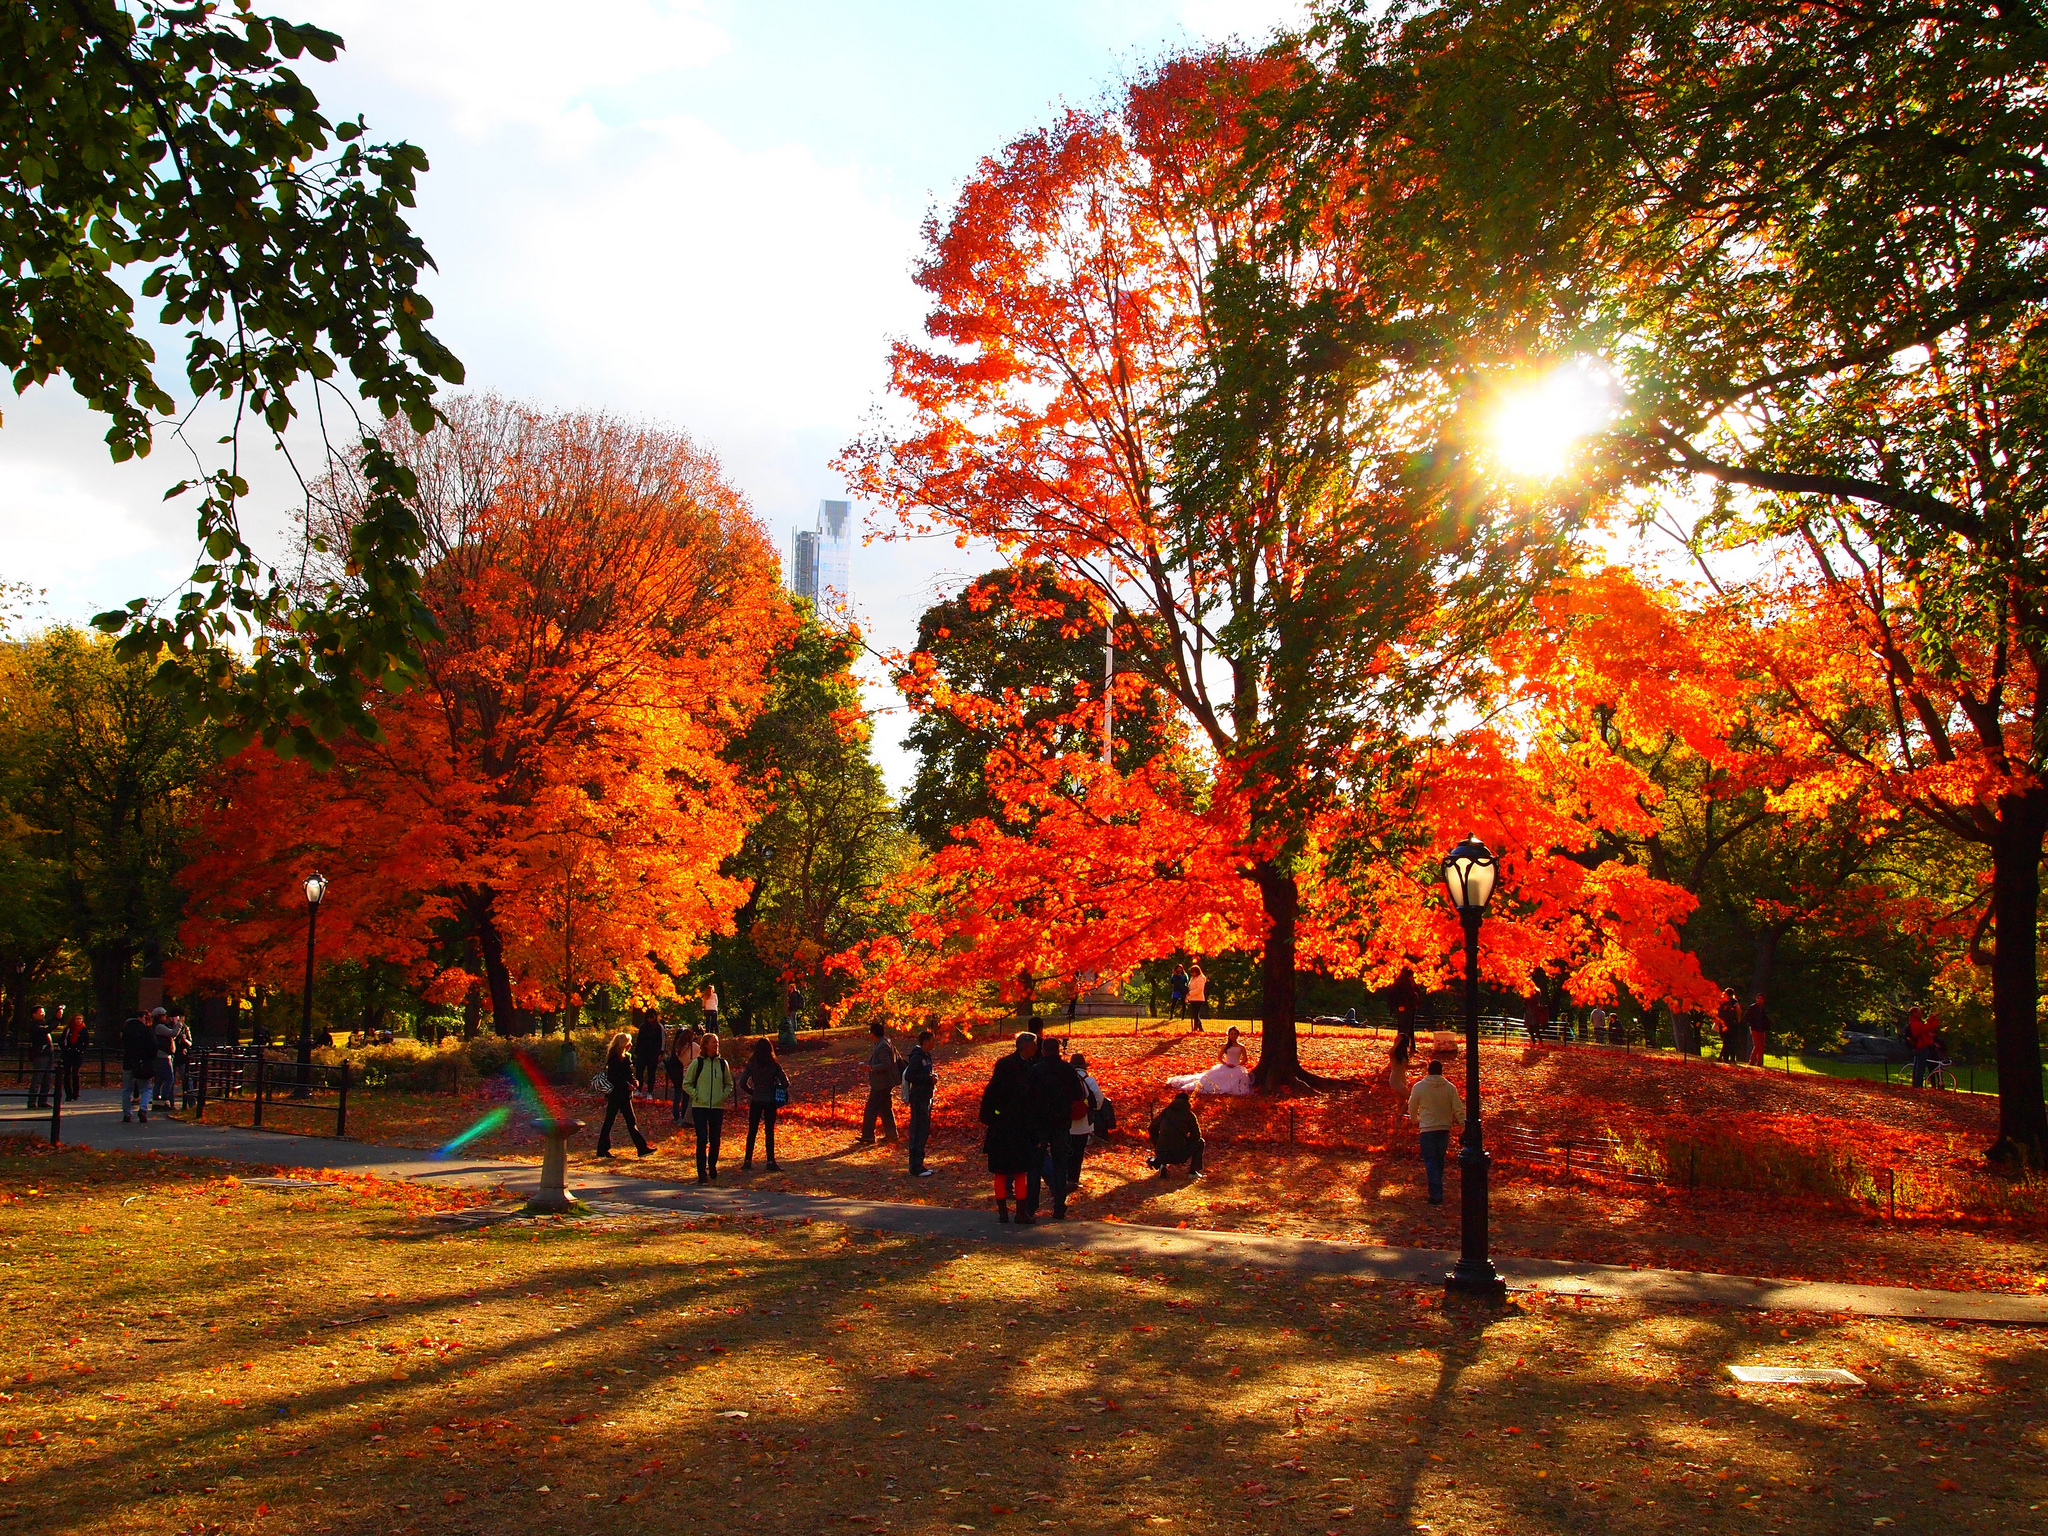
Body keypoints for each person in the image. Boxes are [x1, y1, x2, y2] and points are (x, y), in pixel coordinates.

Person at [979, 1032, 1040, 1223]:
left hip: (1002, 1126)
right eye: (1035, 1045)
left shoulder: (1006, 1064)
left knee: (1002, 1171)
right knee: (1018, 1171)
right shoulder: (1022, 1067)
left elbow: (990, 1094)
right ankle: (1017, 1213)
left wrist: (993, 1117)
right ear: (1026, 1046)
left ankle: (1004, 1212)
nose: (1037, 1048)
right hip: (1015, 1127)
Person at [1026, 1033, 1082, 1220]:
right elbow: (1078, 1095)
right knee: (1060, 1165)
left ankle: (1031, 1206)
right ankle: (1059, 1206)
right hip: (1060, 1123)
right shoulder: (1067, 1070)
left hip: (1039, 1123)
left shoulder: (1035, 1070)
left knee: (1034, 1165)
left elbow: (1027, 1095)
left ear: (1042, 1051)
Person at [1406, 1057, 1464, 1205]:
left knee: (1430, 1160)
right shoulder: (1450, 1088)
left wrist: (1415, 1120)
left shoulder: (1419, 1087)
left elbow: (1412, 1106)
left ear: (1428, 1071)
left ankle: (1436, 1193)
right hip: (1444, 1128)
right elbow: (1458, 1109)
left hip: (1427, 1128)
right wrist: (1464, 1125)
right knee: (1439, 1160)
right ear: (1441, 1071)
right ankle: (1437, 1188)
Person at [685, 1034, 735, 1183]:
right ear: (705, 1045)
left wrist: (722, 1096)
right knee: (702, 1138)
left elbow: (729, 1084)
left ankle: (712, 1165)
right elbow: (686, 1083)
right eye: (714, 1042)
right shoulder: (697, 1063)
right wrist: (697, 1095)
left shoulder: (722, 1063)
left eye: (717, 1042)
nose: (716, 1045)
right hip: (700, 1106)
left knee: (715, 1139)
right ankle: (701, 1172)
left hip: (717, 1107)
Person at [594, 1031, 653, 1159]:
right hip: (617, 1094)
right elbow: (614, 1077)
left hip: (624, 1095)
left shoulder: (626, 1057)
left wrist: (634, 1081)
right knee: (622, 1121)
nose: (631, 1044)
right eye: (628, 1042)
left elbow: (628, 1074)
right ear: (623, 1044)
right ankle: (641, 1148)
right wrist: (627, 1084)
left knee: (617, 1121)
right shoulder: (614, 1058)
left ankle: (603, 1149)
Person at [738, 1037, 788, 1171]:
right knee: (769, 1131)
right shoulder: (774, 1064)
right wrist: (776, 1087)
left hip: (756, 1100)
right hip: (770, 1100)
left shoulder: (752, 1064)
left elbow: (742, 1083)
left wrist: (752, 1091)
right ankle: (770, 1161)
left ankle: (747, 1160)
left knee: (752, 1131)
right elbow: (786, 1082)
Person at [1165, 1026, 1254, 1096]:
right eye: (1232, 1034)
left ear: (1238, 1035)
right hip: (1226, 1066)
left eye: (1235, 1034)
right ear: (1229, 1035)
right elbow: (1219, 1057)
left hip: (1236, 1067)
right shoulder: (1225, 1046)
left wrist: (1237, 1065)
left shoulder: (1241, 1047)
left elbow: (1245, 1059)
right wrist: (1226, 1064)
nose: (1233, 1036)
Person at [903, 1026, 938, 1177]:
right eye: (932, 1041)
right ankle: (915, 1166)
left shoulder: (927, 1056)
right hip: (918, 1098)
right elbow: (909, 1076)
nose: (934, 1043)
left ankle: (920, 1164)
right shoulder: (917, 1057)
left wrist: (931, 1078)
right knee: (917, 1131)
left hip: (926, 1097)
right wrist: (927, 1079)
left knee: (924, 1130)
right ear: (925, 1042)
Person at [1067, 1050, 1104, 1195]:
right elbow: (1099, 1100)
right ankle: (1073, 1180)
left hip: (1066, 1123)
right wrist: (1092, 1109)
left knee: (1064, 1151)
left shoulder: (1065, 1079)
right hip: (1083, 1123)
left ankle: (1062, 1177)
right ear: (1084, 1066)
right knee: (1078, 1152)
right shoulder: (1089, 1080)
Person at [859, 1020, 901, 1145]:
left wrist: (871, 1068)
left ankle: (868, 1135)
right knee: (885, 1108)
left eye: (870, 1032)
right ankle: (891, 1135)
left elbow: (886, 1064)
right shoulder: (883, 1042)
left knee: (871, 1109)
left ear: (873, 1033)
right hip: (885, 1082)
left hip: (881, 1083)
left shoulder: (882, 1045)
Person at [1147, 1090, 1205, 1179]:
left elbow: (1151, 1128)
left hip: (1162, 1153)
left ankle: (1163, 1164)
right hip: (1179, 1155)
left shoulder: (1165, 1112)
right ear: (1187, 1102)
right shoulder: (1189, 1115)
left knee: (1165, 1146)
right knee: (1200, 1142)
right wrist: (1186, 1141)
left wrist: (1157, 1143)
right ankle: (1193, 1172)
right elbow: (1196, 1136)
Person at [119, 1009, 155, 1123]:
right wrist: (150, 1059)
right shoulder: (146, 1030)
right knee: (146, 1088)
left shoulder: (126, 1030)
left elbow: (123, 1045)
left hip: (129, 1062)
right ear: (141, 1017)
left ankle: (127, 1114)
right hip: (143, 1062)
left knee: (127, 1090)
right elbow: (153, 1046)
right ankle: (143, 1109)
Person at [664, 1023, 694, 1126]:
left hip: (675, 1072)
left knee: (678, 1094)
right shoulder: (687, 1047)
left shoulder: (677, 1047)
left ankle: (676, 1115)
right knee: (685, 1095)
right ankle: (683, 1115)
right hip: (682, 1073)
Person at [25, 1007, 56, 1110]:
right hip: (40, 1054)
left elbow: (49, 1024)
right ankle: (32, 1101)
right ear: (34, 1014)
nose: (43, 1014)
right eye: (40, 1012)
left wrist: (56, 1017)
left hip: (48, 1053)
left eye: (43, 1012)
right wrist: (57, 1019)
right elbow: (48, 1029)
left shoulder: (43, 1023)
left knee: (47, 1078)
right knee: (38, 1078)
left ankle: (43, 1100)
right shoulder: (34, 1025)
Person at [150, 1008, 178, 1113]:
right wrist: (178, 1024)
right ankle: (164, 1101)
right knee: (169, 1079)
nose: (166, 1017)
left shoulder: (157, 1027)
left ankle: (156, 1103)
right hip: (163, 1056)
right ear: (160, 1016)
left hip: (159, 1056)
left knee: (159, 1080)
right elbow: (173, 1034)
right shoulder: (159, 1026)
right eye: (164, 1015)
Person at [632, 1010, 665, 1096]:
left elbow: (662, 1041)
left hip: (653, 1054)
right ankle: (639, 1090)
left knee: (651, 1073)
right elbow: (639, 1040)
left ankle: (649, 1091)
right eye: (648, 1017)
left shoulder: (659, 1027)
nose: (650, 1019)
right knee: (639, 1072)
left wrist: (661, 1053)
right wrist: (636, 1051)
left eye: (652, 1017)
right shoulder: (643, 1026)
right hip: (642, 1053)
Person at [1389, 966, 1421, 1055]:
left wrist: (1395, 1007)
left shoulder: (1398, 983)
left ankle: (1400, 1046)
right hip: (1409, 1008)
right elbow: (1414, 995)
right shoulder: (1408, 984)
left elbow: (1392, 996)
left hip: (1402, 1008)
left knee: (1402, 1028)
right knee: (1408, 1028)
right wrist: (1416, 1003)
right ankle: (1408, 1047)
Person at [60, 1010, 88, 1102]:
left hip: (78, 1054)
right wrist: (65, 1049)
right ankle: (68, 1093)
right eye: (77, 1019)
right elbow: (62, 1040)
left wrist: (81, 1050)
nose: (79, 1021)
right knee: (67, 1074)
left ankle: (76, 1092)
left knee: (75, 1073)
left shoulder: (83, 1030)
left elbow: (86, 1042)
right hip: (68, 1053)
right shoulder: (68, 1029)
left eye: (80, 1019)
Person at [1717, 987, 1744, 1062]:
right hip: (1732, 1024)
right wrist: (1739, 1019)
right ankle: (1731, 1058)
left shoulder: (1722, 1001)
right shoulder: (1734, 1002)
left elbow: (1718, 1011)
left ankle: (1724, 1057)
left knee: (1726, 1041)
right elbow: (1738, 1010)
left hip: (1723, 1023)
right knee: (1732, 1041)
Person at [1744, 993, 1770, 1067]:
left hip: (1761, 1029)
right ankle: (1751, 1060)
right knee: (1757, 1045)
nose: (1759, 1000)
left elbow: (1765, 1019)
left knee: (1761, 1045)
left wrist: (1766, 1026)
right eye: (1758, 998)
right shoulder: (1752, 1007)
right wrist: (1751, 1023)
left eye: (1761, 998)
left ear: (1763, 1000)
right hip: (1754, 1028)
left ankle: (1759, 1062)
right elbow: (1747, 1016)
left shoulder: (1762, 1009)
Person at [1185, 963, 1209, 1032]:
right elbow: (1190, 987)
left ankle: (1198, 1027)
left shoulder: (1200, 979)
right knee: (1194, 1013)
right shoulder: (1193, 978)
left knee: (1195, 1013)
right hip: (1193, 998)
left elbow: (1199, 989)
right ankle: (1197, 1028)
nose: (1192, 973)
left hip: (1198, 999)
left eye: (1193, 972)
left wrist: (1190, 993)